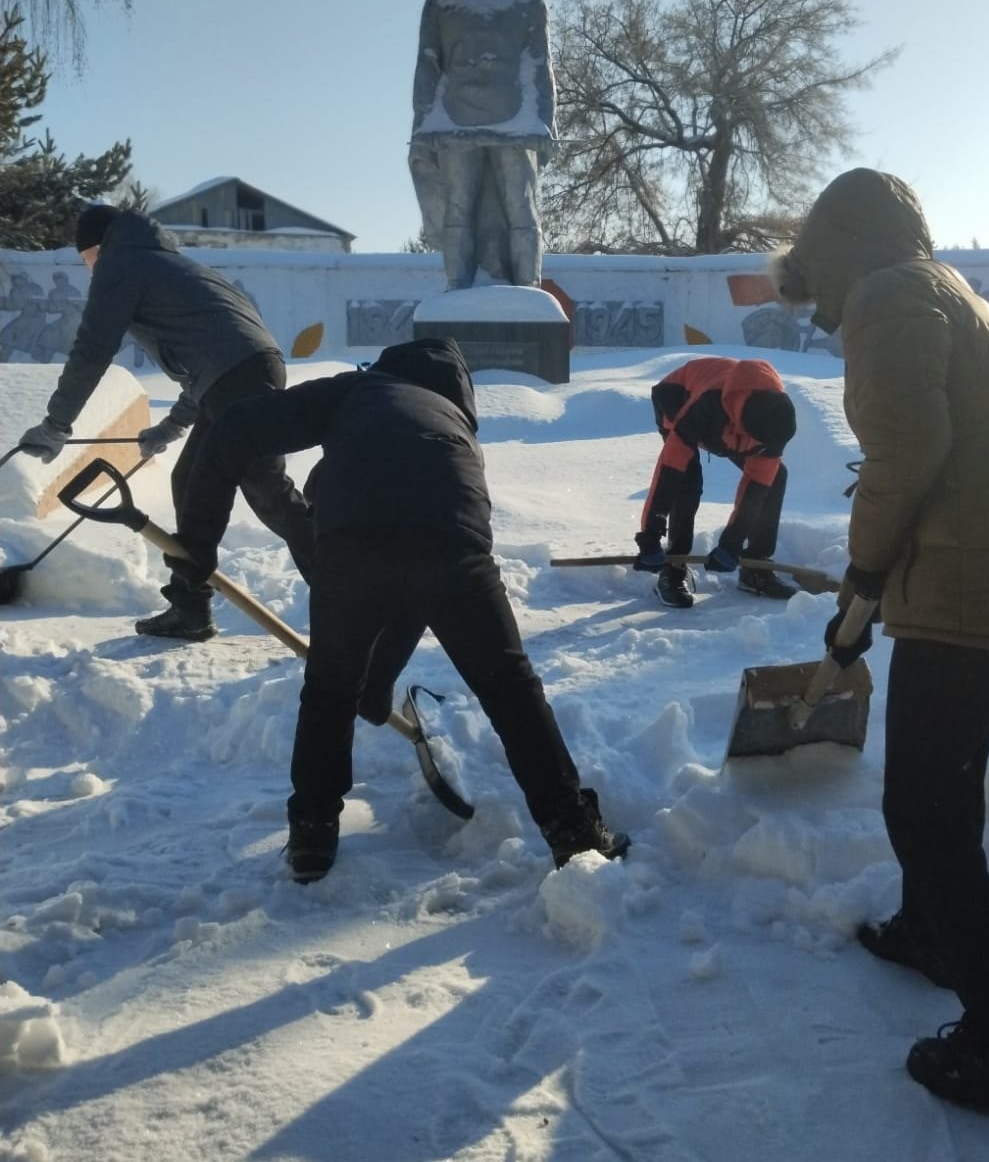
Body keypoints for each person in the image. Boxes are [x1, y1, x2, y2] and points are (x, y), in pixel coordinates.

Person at [771, 168, 989, 1121]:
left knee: (925, 809)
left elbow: (906, 453)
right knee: (939, 790)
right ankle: (931, 932)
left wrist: (864, 575)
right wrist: (875, 596)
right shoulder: (942, 290)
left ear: (836, 249)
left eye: (814, 284)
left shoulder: (886, 295)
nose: (821, 310)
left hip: (976, 576)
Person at [167, 336, 629, 883]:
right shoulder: (454, 423)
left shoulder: (358, 390)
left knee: (328, 690)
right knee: (509, 686)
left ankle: (313, 836)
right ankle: (572, 831)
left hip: (352, 545)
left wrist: (197, 547)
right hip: (452, 547)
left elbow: (236, 427)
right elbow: (417, 589)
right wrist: (378, 682)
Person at [18, 204, 316, 640]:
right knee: (191, 481)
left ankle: (357, 591)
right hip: (245, 373)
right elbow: (210, 355)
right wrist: (173, 426)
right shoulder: (165, 262)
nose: (90, 271)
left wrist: (56, 424)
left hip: (238, 380)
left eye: (86, 260)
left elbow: (92, 349)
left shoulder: (122, 263)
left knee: (268, 492)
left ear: (99, 246)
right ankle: (190, 606)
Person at [408, 0, 556, 290]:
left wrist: (544, 121)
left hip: (515, 122)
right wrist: (424, 120)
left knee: (522, 211)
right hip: (457, 122)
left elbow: (538, 64)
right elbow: (428, 61)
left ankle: (529, 292)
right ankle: (457, 292)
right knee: (457, 212)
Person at [633, 357, 797, 608]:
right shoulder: (705, 408)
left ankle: (756, 566)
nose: (761, 449)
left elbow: (756, 487)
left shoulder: (777, 418)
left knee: (775, 477)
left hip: (730, 419)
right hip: (678, 398)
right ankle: (673, 570)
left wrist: (732, 542)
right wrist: (650, 537)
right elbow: (668, 474)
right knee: (686, 482)